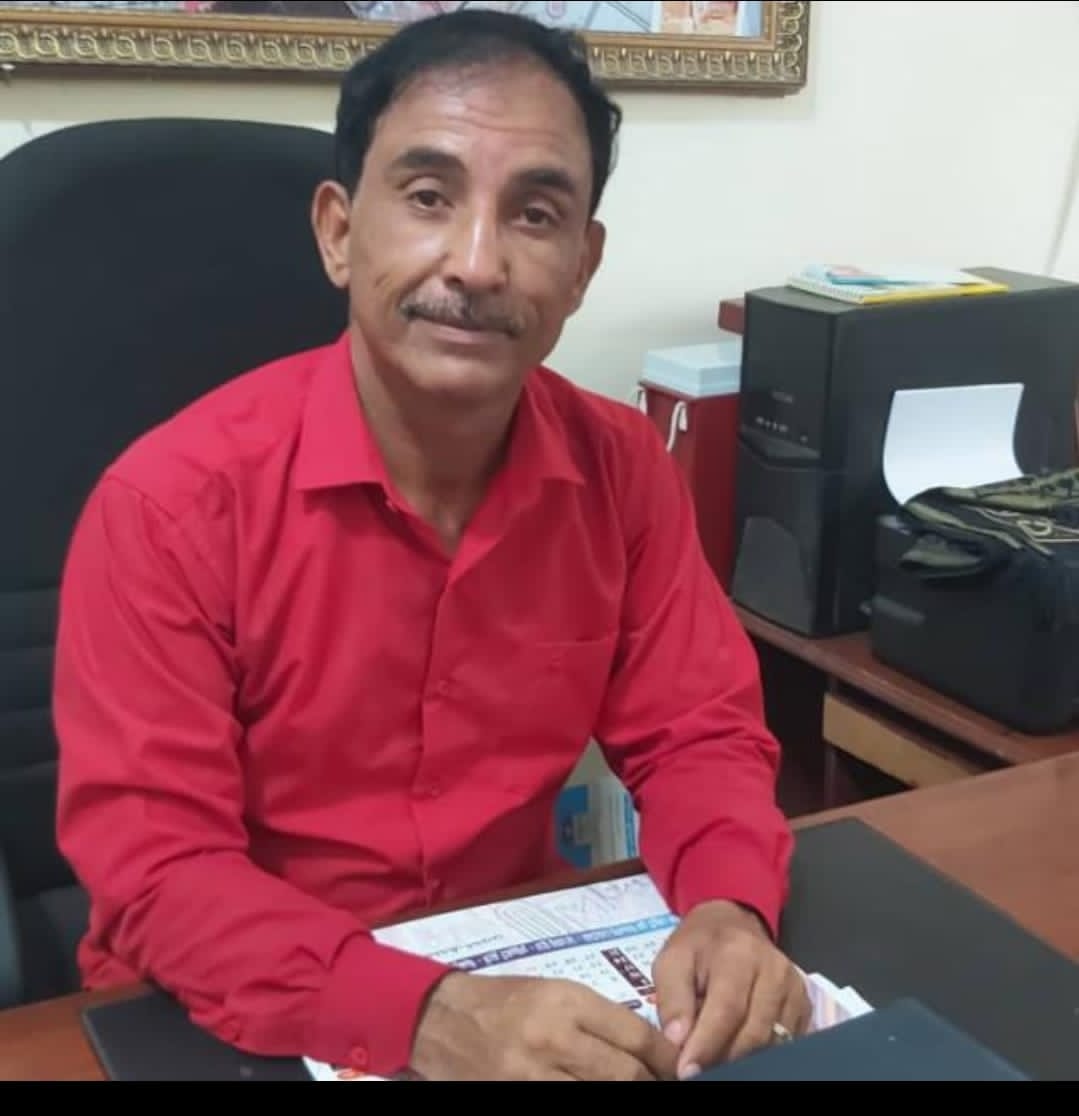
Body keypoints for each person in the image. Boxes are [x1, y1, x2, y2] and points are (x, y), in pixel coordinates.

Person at [52, 7, 809, 1083]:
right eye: (426, 197)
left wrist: (729, 907)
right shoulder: (169, 506)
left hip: (515, 968)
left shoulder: (621, 469)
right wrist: (424, 1017)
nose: (478, 262)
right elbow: (158, 873)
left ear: (583, 266)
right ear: (337, 232)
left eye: (534, 214)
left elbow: (699, 738)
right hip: (220, 1013)